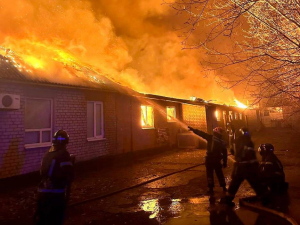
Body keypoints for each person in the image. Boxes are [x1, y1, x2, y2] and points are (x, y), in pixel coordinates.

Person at [34, 130, 74, 225]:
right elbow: (69, 175)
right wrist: (71, 164)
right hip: (55, 196)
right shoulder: (64, 154)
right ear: (65, 142)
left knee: (42, 221)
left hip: (42, 194)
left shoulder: (47, 154)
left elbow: (42, 172)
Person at [221, 127, 267, 206]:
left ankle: (228, 200)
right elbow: (250, 154)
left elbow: (232, 151)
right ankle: (265, 199)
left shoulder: (236, 141)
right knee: (255, 182)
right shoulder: (248, 141)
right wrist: (256, 165)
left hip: (239, 166)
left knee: (234, 184)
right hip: (248, 166)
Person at [188, 126, 227, 194]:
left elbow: (201, 133)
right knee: (220, 174)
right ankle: (223, 187)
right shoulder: (222, 142)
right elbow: (225, 153)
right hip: (217, 160)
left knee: (209, 174)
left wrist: (193, 129)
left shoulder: (210, 138)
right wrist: (225, 162)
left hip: (209, 159)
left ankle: (211, 189)